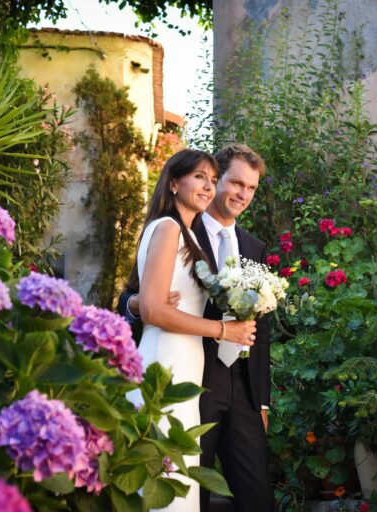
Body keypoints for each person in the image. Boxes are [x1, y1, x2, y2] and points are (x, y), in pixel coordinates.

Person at [120, 144, 273, 512]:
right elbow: (133, 295)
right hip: (194, 380)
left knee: (258, 498)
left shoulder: (254, 245)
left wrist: (263, 400)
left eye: (250, 188)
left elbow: (261, 329)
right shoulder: (180, 228)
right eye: (234, 183)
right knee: (188, 491)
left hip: (244, 389)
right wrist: (138, 304)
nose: (242, 194)